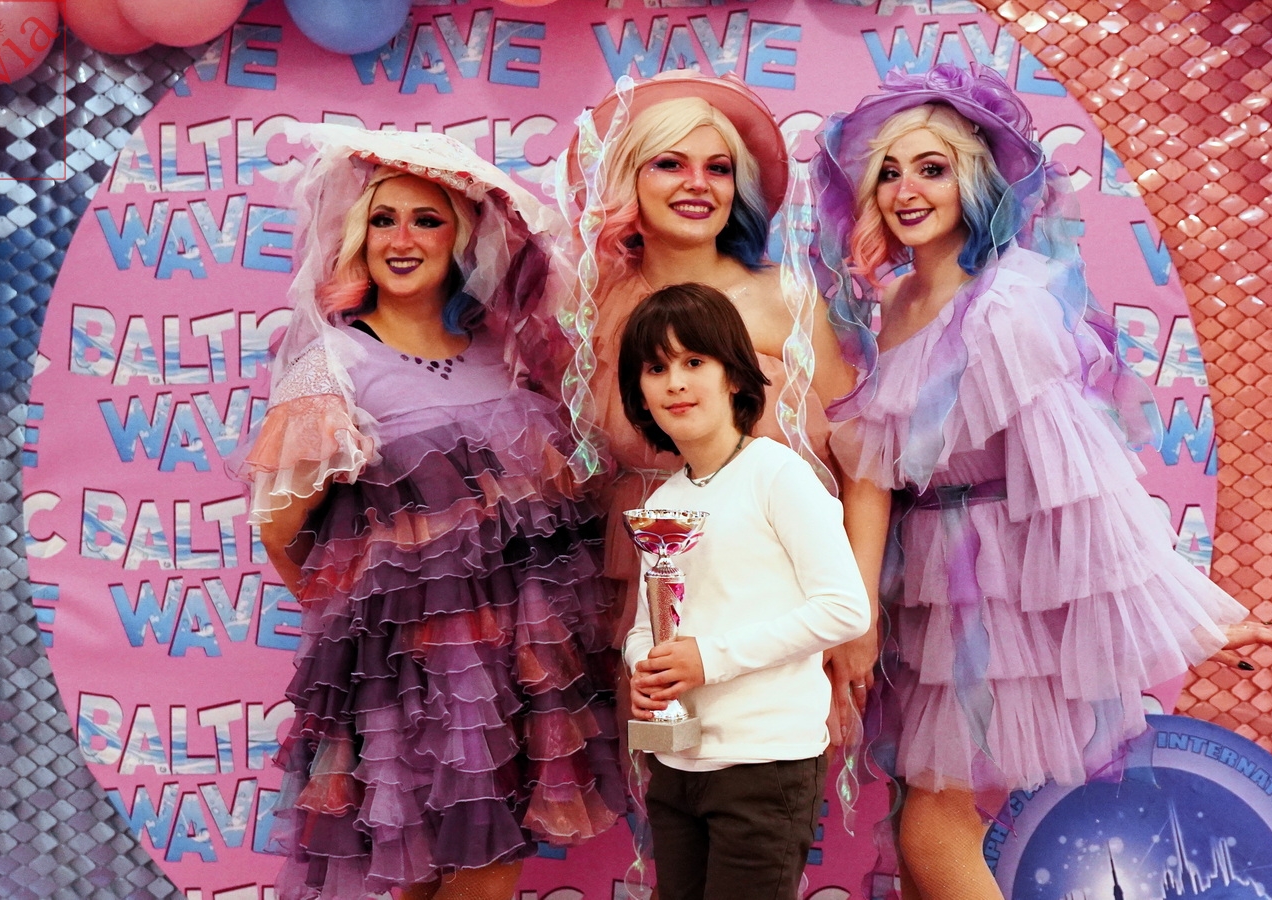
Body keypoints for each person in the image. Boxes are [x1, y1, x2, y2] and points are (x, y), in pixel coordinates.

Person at [809, 65, 1272, 900]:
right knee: (924, 824)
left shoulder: (1007, 307)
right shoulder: (896, 306)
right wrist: (858, 606)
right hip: (925, 584)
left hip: (993, 591)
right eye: (888, 172)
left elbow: (1084, 481)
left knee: (935, 820)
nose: (905, 190)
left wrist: (1192, 609)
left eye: (932, 168)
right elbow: (878, 472)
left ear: (974, 181)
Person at [238, 125, 624, 900]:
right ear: (359, 235)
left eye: (426, 220)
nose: (402, 239)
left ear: (461, 239)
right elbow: (280, 527)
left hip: (519, 669)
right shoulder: (334, 364)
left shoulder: (501, 351)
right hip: (410, 677)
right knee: (461, 871)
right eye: (383, 220)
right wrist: (368, 627)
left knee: (444, 872)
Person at [552, 69, 854, 640]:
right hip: (640, 587)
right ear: (629, 178)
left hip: (778, 592)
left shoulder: (785, 299)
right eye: (670, 164)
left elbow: (860, 462)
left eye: (718, 168)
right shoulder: (592, 303)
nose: (698, 184)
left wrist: (856, 619)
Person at [617, 282, 871, 900]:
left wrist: (710, 659)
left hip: (764, 766)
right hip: (676, 764)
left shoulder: (779, 476)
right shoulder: (664, 501)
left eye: (693, 361)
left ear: (734, 375)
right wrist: (646, 668)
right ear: (640, 392)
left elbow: (844, 610)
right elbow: (648, 629)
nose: (675, 383)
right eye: (656, 368)